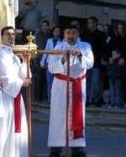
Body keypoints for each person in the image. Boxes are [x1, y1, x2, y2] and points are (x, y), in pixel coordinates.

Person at [47, 25, 93, 156]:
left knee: (77, 115)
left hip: (78, 84)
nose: (71, 36)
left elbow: (90, 63)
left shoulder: (85, 46)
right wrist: (62, 59)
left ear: (78, 34)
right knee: (59, 116)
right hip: (61, 86)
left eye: (73, 33)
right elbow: (51, 67)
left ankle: (77, 147)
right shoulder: (58, 48)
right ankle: (56, 147)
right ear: (64, 34)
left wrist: (79, 56)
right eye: (68, 33)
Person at [0, 26, 30, 157]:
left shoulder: (12, 54)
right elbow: (6, 77)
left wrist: (25, 62)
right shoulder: (1, 54)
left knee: (15, 128)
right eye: (7, 34)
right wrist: (21, 82)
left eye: (13, 34)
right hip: (6, 96)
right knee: (5, 128)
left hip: (15, 95)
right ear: (2, 37)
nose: (11, 37)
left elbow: (21, 74)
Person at [84, 16, 107, 108]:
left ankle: (97, 100)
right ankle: (87, 100)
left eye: (91, 22)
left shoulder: (100, 35)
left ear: (95, 23)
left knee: (96, 82)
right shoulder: (85, 34)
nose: (89, 24)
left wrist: (97, 56)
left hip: (96, 62)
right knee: (86, 82)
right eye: (88, 22)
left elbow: (103, 48)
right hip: (86, 61)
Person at [41, 26, 62, 106]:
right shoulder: (49, 41)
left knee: (57, 82)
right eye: (55, 31)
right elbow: (46, 51)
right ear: (53, 32)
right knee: (49, 82)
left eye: (58, 31)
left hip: (59, 64)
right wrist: (43, 62)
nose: (57, 32)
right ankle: (50, 99)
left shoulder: (62, 41)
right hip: (49, 63)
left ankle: (57, 99)